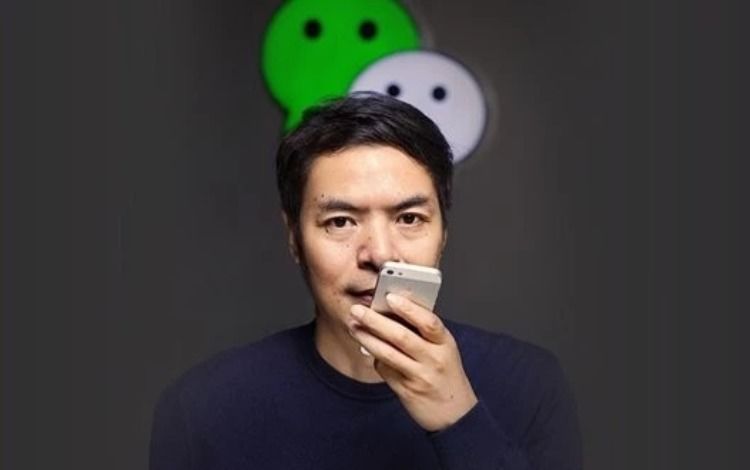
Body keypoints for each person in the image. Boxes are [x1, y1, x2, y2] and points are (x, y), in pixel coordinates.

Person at [149, 93, 582, 469]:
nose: (380, 253)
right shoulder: (202, 410)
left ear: (444, 233)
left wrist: (459, 419)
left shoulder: (530, 385)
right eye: (340, 221)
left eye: (409, 218)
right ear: (295, 239)